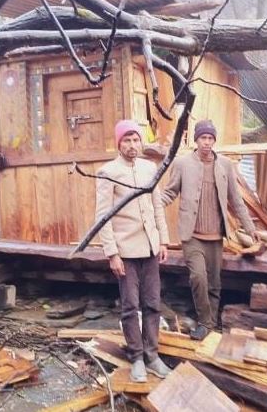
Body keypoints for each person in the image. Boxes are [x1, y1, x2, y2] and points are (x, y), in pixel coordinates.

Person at [162, 119, 259, 340]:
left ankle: (211, 325)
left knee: (215, 283)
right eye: (203, 138)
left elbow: (236, 199)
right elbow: (169, 192)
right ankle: (205, 322)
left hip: (216, 236)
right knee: (198, 278)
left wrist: (250, 227)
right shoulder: (182, 164)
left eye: (210, 138)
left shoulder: (225, 164)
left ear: (214, 140)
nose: (206, 142)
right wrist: (152, 202)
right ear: (196, 140)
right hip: (192, 235)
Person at [95, 120, 172, 383]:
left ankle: (152, 355)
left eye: (135, 140)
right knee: (130, 306)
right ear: (119, 143)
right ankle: (137, 357)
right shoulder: (107, 172)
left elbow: (157, 206)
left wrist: (163, 240)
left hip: (150, 247)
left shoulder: (150, 168)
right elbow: (102, 216)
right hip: (125, 250)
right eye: (126, 140)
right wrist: (112, 253)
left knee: (152, 303)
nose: (132, 145)